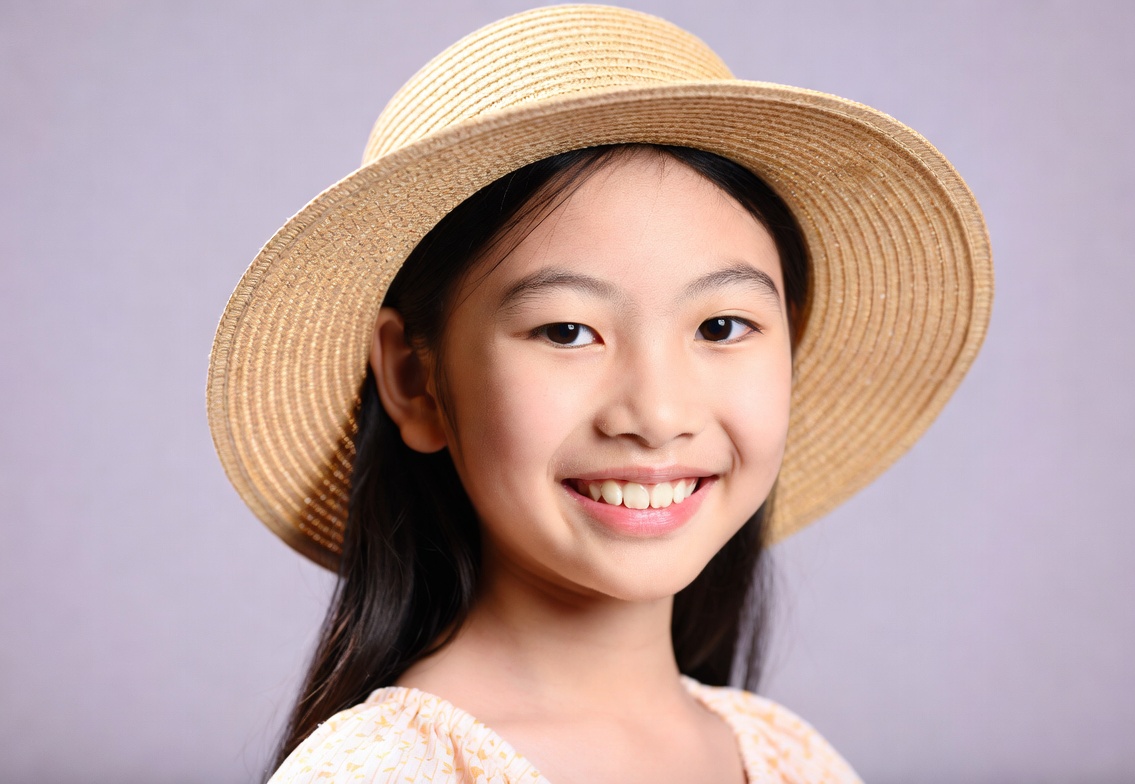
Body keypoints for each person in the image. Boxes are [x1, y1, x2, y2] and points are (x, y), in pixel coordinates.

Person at [207, 5, 992, 783]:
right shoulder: (386, 772)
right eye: (566, 332)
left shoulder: (789, 758)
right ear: (416, 380)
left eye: (721, 326)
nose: (656, 416)